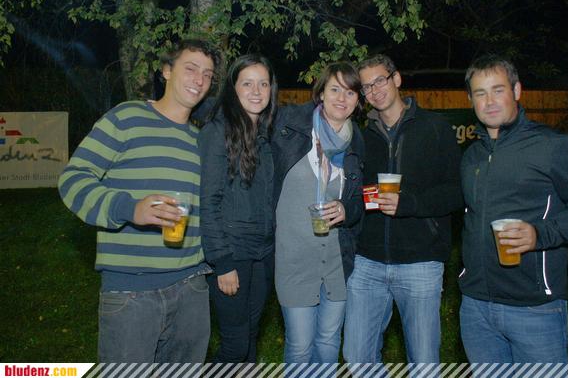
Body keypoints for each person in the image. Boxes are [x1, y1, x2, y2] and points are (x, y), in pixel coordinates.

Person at [57, 39, 220, 362]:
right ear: (166, 71)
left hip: (192, 288)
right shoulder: (126, 117)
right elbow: (73, 180)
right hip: (132, 291)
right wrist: (130, 209)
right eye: (190, 69)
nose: (199, 80)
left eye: (207, 74)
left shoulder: (201, 139)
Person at [459, 54, 568, 363]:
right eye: (480, 93)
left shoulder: (552, 145)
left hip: (534, 308)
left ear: (516, 90)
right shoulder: (471, 155)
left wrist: (539, 234)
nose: (489, 101)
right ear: (471, 100)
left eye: (498, 90)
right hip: (476, 307)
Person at [343, 54, 463, 364]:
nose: (374, 91)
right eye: (366, 87)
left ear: (396, 79)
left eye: (380, 81)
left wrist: (408, 203)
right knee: (357, 357)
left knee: (423, 362)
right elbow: (355, 191)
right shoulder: (361, 136)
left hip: (420, 262)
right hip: (367, 262)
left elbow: (456, 192)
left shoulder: (435, 128)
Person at [272, 62, 364, 363]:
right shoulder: (289, 127)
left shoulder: (356, 140)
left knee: (328, 343)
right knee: (300, 347)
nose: (342, 98)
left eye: (350, 92)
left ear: (357, 100)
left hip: (336, 262)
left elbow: (360, 201)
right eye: (335, 89)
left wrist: (346, 209)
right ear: (321, 93)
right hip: (294, 260)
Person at [198, 54, 278, 362]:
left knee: (250, 337)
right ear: (233, 88)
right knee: (235, 345)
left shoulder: (264, 136)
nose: (256, 91)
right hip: (232, 254)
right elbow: (208, 202)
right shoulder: (217, 132)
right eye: (247, 83)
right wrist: (222, 262)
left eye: (263, 84)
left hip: (263, 253)